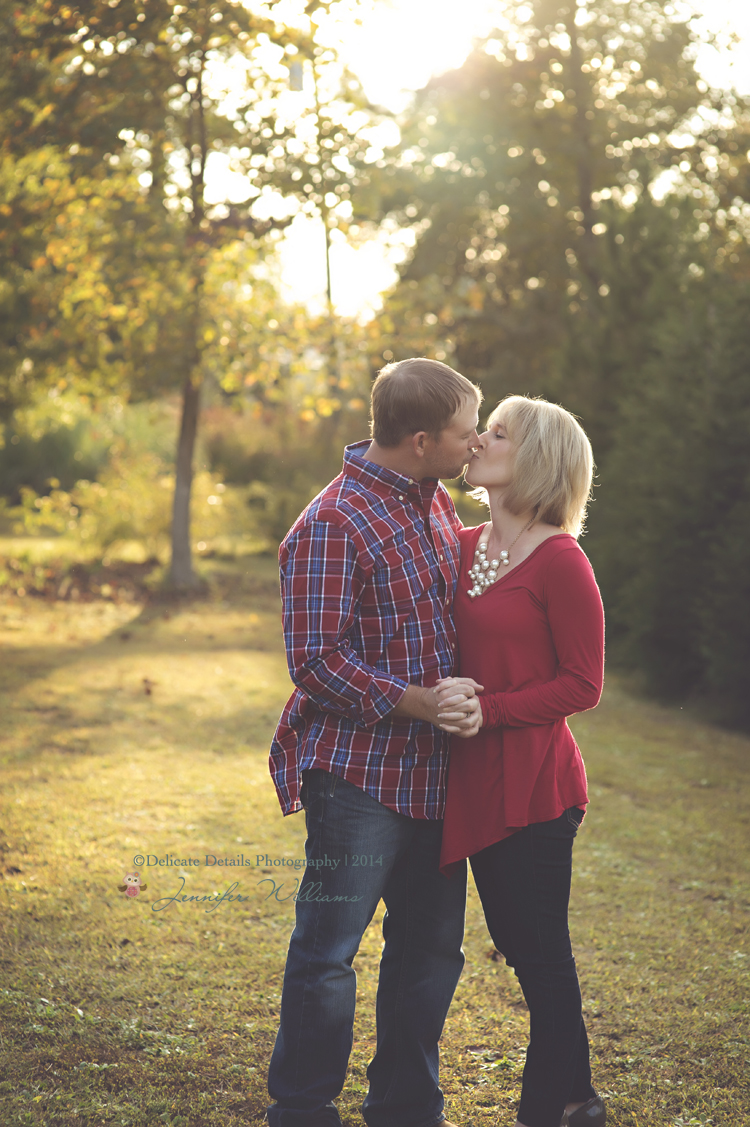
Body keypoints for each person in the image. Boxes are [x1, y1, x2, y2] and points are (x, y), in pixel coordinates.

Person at [267, 357, 484, 1127]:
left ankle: (403, 1104)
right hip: (357, 779)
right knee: (328, 955)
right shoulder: (333, 522)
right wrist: (419, 701)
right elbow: (314, 660)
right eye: (467, 431)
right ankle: (301, 1107)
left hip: (435, 774)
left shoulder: (435, 504)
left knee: (431, 952)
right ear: (422, 438)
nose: (477, 442)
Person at [435, 395, 606, 1127]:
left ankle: (546, 1111)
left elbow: (584, 682)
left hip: (537, 785)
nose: (478, 438)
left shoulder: (563, 560)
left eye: (496, 432)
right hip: (471, 779)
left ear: (534, 459)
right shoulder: (464, 544)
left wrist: (492, 710)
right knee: (521, 944)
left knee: (538, 953)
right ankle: (582, 1096)